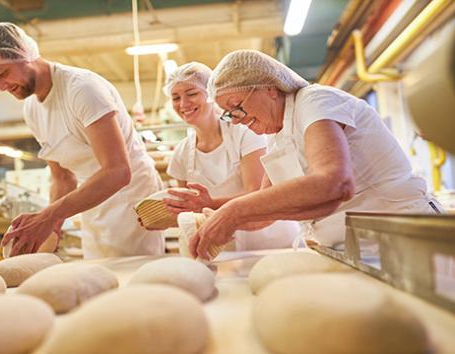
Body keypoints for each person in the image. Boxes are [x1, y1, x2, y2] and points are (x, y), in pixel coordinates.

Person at [188, 49, 443, 260]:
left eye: (237, 107)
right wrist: (211, 209)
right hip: (353, 250)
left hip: (404, 240)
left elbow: (334, 183)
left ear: (270, 88)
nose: (236, 120)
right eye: (229, 114)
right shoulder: (275, 134)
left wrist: (233, 213)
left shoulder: (315, 101)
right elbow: (265, 207)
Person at [0, 22, 164, 258]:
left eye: (2, 73)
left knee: (134, 278)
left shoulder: (82, 90)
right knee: (100, 273)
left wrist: (50, 216)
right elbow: (62, 178)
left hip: (131, 198)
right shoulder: (32, 108)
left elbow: (118, 171)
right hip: (92, 199)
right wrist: (52, 228)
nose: (0, 87)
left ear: (26, 56)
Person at [161, 62, 298, 250]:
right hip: (225, 246)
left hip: (270, 240)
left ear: (211, 95)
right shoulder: (181, 153)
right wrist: (158, 219)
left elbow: (257, 192)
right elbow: (189, 210)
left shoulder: (245, 132)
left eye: (192, 94)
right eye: (175, 97)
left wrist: (208, 204)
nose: (183, 104)